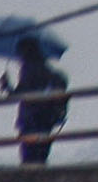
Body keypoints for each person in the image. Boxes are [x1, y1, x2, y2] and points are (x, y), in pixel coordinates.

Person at [10, 36, 70, 164]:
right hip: (46, 121)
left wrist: (7, 87)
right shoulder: (46, 69)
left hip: (31, 121)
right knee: (41, 157)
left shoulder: (28, 69)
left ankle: (30, 181)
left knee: (29, 158)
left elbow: (21, 94)